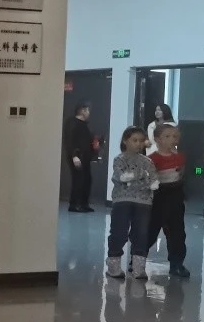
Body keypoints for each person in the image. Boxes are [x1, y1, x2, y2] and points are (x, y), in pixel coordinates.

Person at [107, 127, 157, 281]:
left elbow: (153, 181)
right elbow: (120, 177)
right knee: (119, 232)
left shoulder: (148, 162)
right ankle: (113, 266)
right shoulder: (119, 159)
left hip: (143, 202)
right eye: (134, 140)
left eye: (141, 141)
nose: (138, 144)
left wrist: (133, 180)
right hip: (122, 201)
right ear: (125, 141)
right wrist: (141, 177)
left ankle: (138, 269)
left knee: (141, 234)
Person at [147, 123, 189, 278]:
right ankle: (137, 259)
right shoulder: (152, 159)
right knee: (151, 230)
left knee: (177, 232)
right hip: (158, 198)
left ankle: (177, 264)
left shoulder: (180, 157)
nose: (172, 139)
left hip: (175, 197)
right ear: (157, 139)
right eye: (167, 136)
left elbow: (181, 174)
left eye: (175, 136)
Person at [65, 101, 96, 212]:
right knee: (78, 179)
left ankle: (84, 203)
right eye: (87, 110)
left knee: (87, 179)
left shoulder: (84, 125)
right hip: (77, 156)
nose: (88, 113)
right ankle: (74, 204)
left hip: (85, 157)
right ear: (82, 110)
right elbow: (70, 140)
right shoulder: (72, 123)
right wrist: (74, 155)